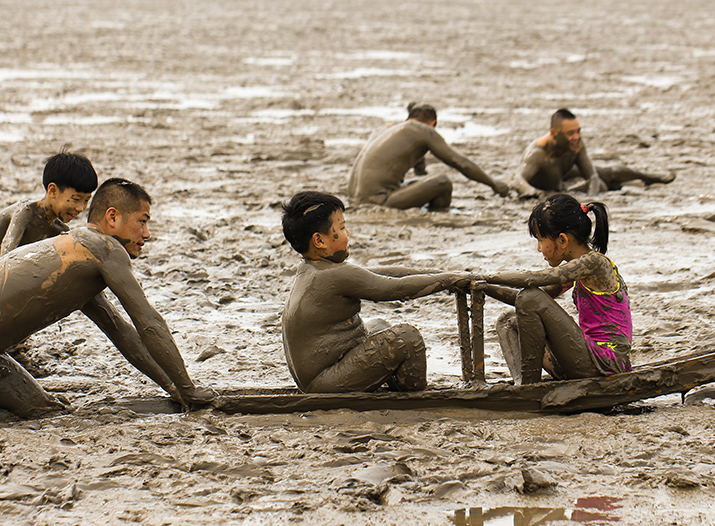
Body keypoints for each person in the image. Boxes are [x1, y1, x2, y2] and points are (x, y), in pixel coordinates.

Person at [0, 178, 212, 417]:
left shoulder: (77, 255)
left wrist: (173, 387)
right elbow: (148, 322)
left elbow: (124, 334)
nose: (147, 234)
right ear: (112, 217)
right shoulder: (106, 249)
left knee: (42, 409)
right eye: (142, 221)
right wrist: (189, 388)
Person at [280, 191, 468, 393]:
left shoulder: (312, 269)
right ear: (319, 241)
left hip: (321, 375)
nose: (348, 233)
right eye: (341, 228)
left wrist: (445, 276)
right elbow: (396, 288)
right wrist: (449, 281)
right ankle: (415, 396)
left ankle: (393, 387)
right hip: (324, 383)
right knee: (407, 337)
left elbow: (386, 274)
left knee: (379, 325)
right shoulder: (333, 275)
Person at [469, 193, 632, 385]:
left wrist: (484, 277)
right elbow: (523, 300)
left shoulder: (594, 263)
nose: (539, 248)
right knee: (508, 320)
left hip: (607, 362)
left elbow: (533, 281)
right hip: (587, 357)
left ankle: (529, 387)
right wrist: (484, 287)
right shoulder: (577, 271)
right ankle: (521, 383)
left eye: (540, 240)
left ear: (562, 240)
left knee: (531, 297)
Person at [0, 149, 98, 291]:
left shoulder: (60, 230)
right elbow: (6, 259)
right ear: (52, 191)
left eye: (86, 201)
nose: (81, 208)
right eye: (76, 199)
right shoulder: (24, 213)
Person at [347, 102, 509, 210]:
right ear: (432, 123)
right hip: (379, 200)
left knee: (421, 182)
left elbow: (420, 172)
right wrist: (494, 184)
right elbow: (460, 163)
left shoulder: (388, 130)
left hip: (355, 199)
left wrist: (420, 160)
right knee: (443, 182)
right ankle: (440, 215)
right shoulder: (423, 131)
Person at [511, 108, 675, 198]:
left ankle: (649, 177)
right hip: (551, 184)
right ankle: (619, 187)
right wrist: (533, 192)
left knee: (608, 172)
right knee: (599, 185)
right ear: (554, 133)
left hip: (565, 174)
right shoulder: (538, 154)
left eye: (578, 131)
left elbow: (593, 176)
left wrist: (591, 198)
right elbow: (518, 180)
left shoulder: (576, 145)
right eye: (570, 133)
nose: (576, 137)